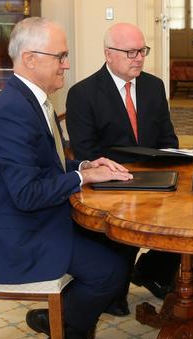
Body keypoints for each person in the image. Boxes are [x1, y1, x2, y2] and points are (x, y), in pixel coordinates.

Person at [0, 17, 133, 339]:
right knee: (109, 270)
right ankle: (67, 332)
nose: (66, 64)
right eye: (61, 56)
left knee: (118, 242)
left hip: (25, 220)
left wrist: (84, 167)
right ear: (30, 59)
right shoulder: (14, 112)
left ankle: (62, 318)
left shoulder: (30, 100)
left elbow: (44, 167)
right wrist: (83, 180)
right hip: (10, 237)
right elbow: (27, 194)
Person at [65, 23, 180, 311]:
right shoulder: (83, 93)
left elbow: (168, 138)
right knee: (114, 296)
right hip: (110, 183)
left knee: (187, 218)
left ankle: (151, 270)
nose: (139, 58)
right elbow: (86, 153)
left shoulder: (154, 86)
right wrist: (118, 175)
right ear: (108, 54)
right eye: (131, 52)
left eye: (142, 51)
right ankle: (122, 280)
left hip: (155, 177)